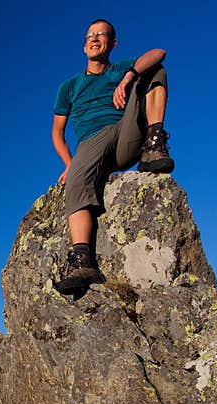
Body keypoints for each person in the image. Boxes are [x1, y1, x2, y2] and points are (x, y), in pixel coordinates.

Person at [52, 19, 174, 294]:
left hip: (126, 134)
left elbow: (159, 52)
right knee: (77, 183)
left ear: (113, 43)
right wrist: (70, 165)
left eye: (101, 35)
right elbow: (57, 132)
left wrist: (129, 76)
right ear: (84, 45)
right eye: (90, 36)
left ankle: (154, 144)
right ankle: (84, 261)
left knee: (154, 70)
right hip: (92, 140)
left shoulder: (120, 69)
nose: (94, 39)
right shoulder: (69, 86)